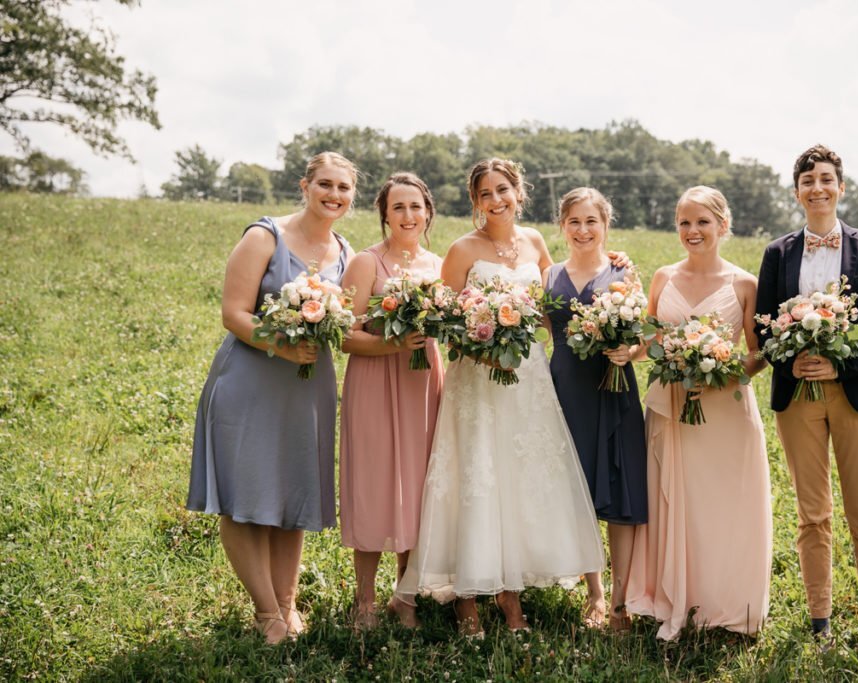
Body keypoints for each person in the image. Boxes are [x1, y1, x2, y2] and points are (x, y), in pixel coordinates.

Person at [398, 158, 607, 638]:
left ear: (519, 192)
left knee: (521, 477)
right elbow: (444, 322)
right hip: (477, 379)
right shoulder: (462, 249)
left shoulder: (535, 242)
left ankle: (513, 585)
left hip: (529, 377)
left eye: (503, 190)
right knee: (479, 476)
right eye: (485, 193)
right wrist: (481, 348)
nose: (496, 200)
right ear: (475, 202)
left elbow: (559, 299)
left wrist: (613, 265)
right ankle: (468, 600)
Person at [186, 152, 357, 644]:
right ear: (304, 186)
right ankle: (266, 613)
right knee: (244, 497)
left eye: (343, 188)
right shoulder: (264, 236)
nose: (334, 195)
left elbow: (346, 318)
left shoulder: (345, 250)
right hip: (252, 380)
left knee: (293, 492)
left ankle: (287, 602)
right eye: (324, 184)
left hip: (309, 387)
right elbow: (233, 312)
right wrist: (280, 345)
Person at [755, 145, 858, 670]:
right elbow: (762, 327)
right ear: (796, 192)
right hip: (797, 399)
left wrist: (842, 365)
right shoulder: (777, 253)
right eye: (807, 181)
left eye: (825, 179)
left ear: (841, 187)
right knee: (812, 516)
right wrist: (786, 360)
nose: (816, 188)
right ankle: (820, 621)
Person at [625, 185, 772, 640]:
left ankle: (724, 602)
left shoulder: (745, 284)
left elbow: (758, 353)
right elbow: (648, 339)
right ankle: (672, 596)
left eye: (702, 222)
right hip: (671, 408)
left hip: (724, 411)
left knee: (721, 508)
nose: (692, 231)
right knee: (673, 501)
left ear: (723, 226)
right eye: (684, 223)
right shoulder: (663, 277)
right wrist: (626, 347)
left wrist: (718, 368)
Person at [338, 173, 444, 630]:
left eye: (416, 206)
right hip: (375, 380)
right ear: (384, 214)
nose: (408, 216)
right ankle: (364, 601)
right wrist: (392, 345)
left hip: (423, 383)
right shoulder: (366, 263)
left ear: (428, 213)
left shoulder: (440, 265)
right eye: (398, 207)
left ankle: (406, 596)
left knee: (418, 484)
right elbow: (342, 335)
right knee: (375, 482)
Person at [542, 187, 647, 631]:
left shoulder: (624, 274)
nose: (583, 230)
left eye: (592, 221)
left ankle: (622, 601)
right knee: (578, 490)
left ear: (606, 225)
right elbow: (547, 333)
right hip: (566, 388)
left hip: (614, 387)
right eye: (574, 221)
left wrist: (631, 351)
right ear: (562, 226)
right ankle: (595, 595)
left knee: (619, 488)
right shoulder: (548, 276)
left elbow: (644, 338)